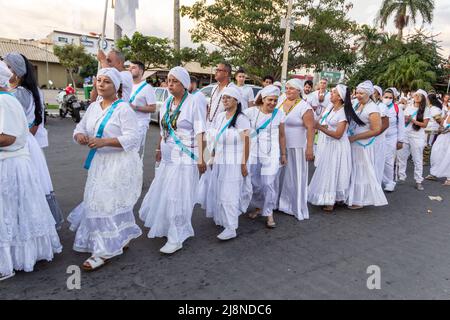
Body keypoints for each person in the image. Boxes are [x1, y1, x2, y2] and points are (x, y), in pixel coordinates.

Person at [70, 68, 143, 271]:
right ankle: (122, 236)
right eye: (99, 80)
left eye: (107, 82)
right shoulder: (94, 107)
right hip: (99, 163)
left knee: (108, 203)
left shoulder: (123, 109)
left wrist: (104, 141)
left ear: (116, 86)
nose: (101, 84)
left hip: (118, 163)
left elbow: (133, 138)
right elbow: (80, 128)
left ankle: (102, 250)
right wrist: (80, 137)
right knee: (98, 201)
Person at [0, 61, 62, 281]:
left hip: (10, 163)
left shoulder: (5, 100)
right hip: (15, 160)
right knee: (17, 211)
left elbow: (8, 137)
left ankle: (11, 258)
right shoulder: (9, 97)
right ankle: (21, 253)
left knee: (10, 211)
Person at [139, 67, 207, 254]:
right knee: (165, 192)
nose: (170, 84)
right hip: (169, 155)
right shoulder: (168, 101)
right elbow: (163, 129)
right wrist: (159, 147)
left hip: (186, 156)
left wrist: (203, 158)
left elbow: (201, 132)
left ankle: (177, 235)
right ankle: (167, 225)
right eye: (169, 80)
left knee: (178, 195)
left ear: (184, 84)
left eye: (175, 81)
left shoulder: (194, 102)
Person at [3, 52, 64, 229]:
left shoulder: (18, 94)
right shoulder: (29, 90)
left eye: (7, 67)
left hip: (19, 144)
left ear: (16, 71)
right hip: (28, 142)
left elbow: (17, 126)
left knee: (24, 187)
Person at [197, 86, 251, 240]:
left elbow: (247, 142)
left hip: (234, 163)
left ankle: (231, 227)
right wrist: (208, 157)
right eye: (223, 98)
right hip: (220, 160)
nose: (225, 100)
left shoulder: (242, 119)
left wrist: (243, 164)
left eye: (228, 97)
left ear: (236, 100)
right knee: (219, 190)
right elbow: (213, 139)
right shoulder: (220, 117)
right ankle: (223, 219)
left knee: (230, 193)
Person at [309, 84, 361, 212]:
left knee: (334, 171)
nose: (330, 94)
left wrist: (319, 127)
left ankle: (331, 200)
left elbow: (338, 134)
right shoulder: (332, 108)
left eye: (333, 93)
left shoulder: (343, 112)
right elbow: (328, 126)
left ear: (340, 97)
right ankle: (327, 197)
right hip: (329, 144)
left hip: (338, 146)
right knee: (328, 170)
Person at [245, 85, 287, 228]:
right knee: (254, 182)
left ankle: (269, 213)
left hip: (272, 152)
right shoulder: (250, 112)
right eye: (270, 100)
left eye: (275, 100)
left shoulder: (279, 114)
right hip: (254, 151)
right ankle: (258, 206)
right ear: (263, 99)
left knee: (268, 183)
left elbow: (282, 136)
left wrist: (283, 154)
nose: (273, 103)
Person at [277, 79, 315, 220]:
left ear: (299, 90)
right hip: (280, 145)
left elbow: (311, 128)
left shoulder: (304, 107)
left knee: (296, 177)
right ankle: (279, 203)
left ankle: (295, 206)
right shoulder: (281, 101)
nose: (288, 91)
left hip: (297, 147)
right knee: (279, 176)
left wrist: (309, 148)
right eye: (286, 88)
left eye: (291, 88)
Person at [346, 81, 388, 209]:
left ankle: (360, 199)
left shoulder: (373, 109)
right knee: (352, 169)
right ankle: (350, 195)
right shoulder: (357, 104)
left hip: (363, 144)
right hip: (353, 142)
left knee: (362, 171)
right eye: (357, 92)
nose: (358, 95)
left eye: (361, 93)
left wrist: (356, 137)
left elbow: (376, 130)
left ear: (369, 94)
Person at [397, 89, 431, 191]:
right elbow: (403, 121)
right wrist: (406, 119)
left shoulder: (426, 109)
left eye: (419, 95)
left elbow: (424, 125)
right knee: (401, 156)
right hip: (406, 134)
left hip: (417, 136)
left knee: (417, 159)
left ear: (423, 98)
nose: (416, 96)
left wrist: (412, 120)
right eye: (415, 95)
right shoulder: (409, 107)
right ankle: (401, 177)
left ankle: (418, 181)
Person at [128, 60, 157, 153]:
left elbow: (153, 108)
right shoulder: (127, 86)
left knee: (132, 153)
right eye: (129, 67)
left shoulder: (147, 88)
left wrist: (135, 107)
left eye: (133, 67)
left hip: (139, 124)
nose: (129, 69)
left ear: (140, 71)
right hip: (126, 123)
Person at [381, 88, 405, 192]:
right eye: (386, 97)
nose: (388, 99)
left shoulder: (397, 108)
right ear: (382, 97)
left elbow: (401, 125)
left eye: (390, 97)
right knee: (378, 159)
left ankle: (390, 182)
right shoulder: (378, 107)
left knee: (389, 161)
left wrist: (400, 140)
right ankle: (378, 181)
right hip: (378, 138)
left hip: (392, 138)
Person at [207, 62, 238, 128]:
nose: (216, 72)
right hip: (209, 127)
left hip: (224, 127)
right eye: (216, 70)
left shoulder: (233, 89)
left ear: (226, 73)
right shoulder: (214, 87)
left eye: (219, 70)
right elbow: (210, 107)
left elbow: (238, 110)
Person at [372, 85, 390, 184]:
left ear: (379, 96)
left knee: (376, 164)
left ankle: (375, 188)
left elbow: (385, 125)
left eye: (374, 93)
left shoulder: (382, 107)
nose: (371, 94)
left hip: (377, 140)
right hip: (367, 140)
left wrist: (372, 134)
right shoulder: (366, 105)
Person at [427, 112, 450, 186]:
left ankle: (449, 178)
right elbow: (441, 124)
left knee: (448, 157)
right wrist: (441, 128)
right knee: (436, 154)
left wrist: (447, 130)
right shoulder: (448, 112)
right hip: (442, 137)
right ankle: (434, 173)